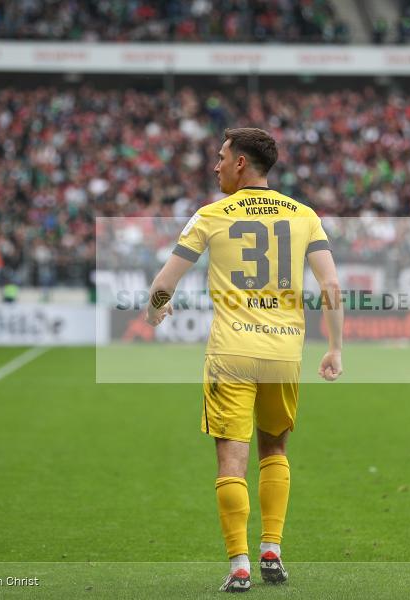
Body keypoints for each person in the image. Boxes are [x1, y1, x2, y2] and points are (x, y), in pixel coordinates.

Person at [143, 128, 344, 592]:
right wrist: (335, 348)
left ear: (240, 163)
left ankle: (239, 565)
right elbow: (331, 288)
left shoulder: (211, 215)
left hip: (231, 353)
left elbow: (166, 280)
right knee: (274, 449)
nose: (215, 166)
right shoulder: (304, 215)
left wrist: (155, 309)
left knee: (230, 461)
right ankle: (271, 548)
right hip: (283, 353)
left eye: (220, 157)